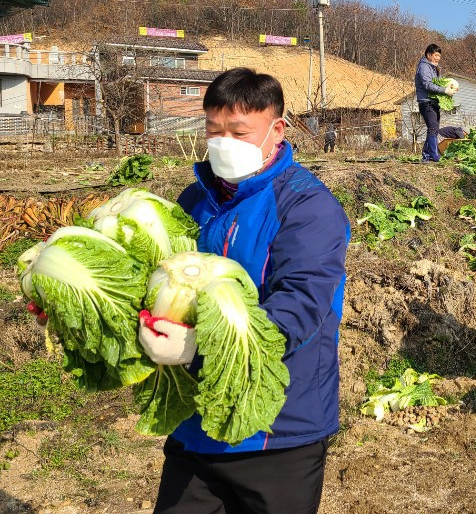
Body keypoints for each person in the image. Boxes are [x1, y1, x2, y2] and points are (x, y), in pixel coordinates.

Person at [143, 68, 349, 513]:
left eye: (239, 132)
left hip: (278, 432)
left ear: (276, 130)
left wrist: (199, 347)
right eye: (214, 131)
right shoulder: (192, 201)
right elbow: (153, 283)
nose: (223, 143)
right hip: (196, 422)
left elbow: (299, 308)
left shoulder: (307, 206)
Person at [414, 43, 458, 163]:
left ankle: (427, 155)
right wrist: (445, 90)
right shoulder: (424, 67)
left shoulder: (433, 67)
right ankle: (433, 155)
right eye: (436, 55)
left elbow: (437, 83)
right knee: (433, 128)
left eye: (439, 56)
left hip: (433, 102)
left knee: (434, 128)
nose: (438, 58)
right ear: (429, 55)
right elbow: (428, 85)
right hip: (426, 102)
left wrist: (449, 88)